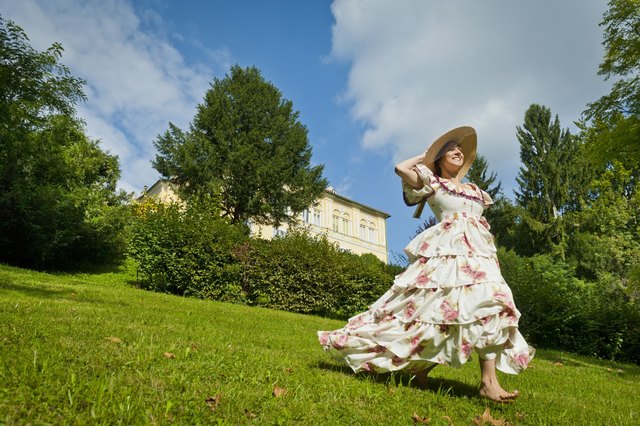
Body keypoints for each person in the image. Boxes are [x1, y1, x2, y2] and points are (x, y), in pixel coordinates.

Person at [318, 126, 534, 402]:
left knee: (492, 305)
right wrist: (426, 156)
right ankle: (424, 369)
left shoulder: (474, 190)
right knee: (435, 317)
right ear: (438, 160)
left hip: (479, 257)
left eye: (459, 149)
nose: (457, 151)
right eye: (449, 150)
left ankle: (487, 382)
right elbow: (400, 168)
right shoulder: (433, 182)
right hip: (445, 258)